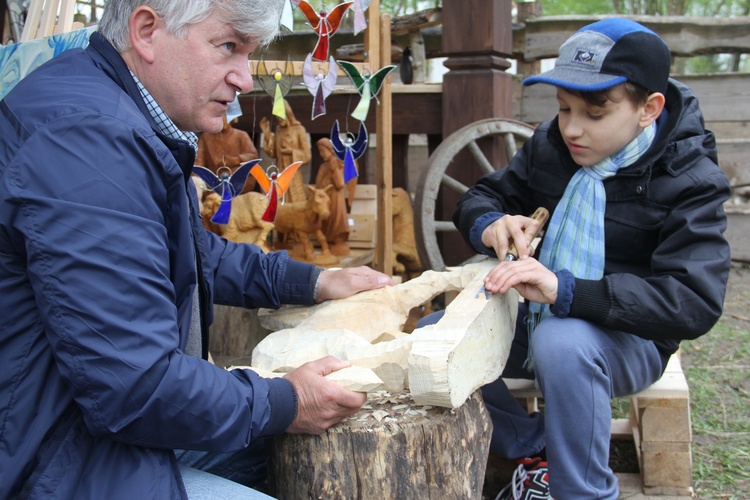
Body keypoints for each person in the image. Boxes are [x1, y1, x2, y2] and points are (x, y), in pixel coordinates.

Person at [0, 1, 394, 499]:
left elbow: (184, 250)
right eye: (228, 46)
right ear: (147, 31)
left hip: (86, 429)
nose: (244, 79)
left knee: (301, 447)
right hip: (55, 461)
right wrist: (284, 401)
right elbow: (136, 385)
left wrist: (310, 281)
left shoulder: (116, 110)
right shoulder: (87, 140)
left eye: (248, 54)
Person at [450, 19, 731, 499]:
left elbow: (693, 301)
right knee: (439, 334)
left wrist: (568, 291)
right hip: (535, 322)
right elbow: (479, 196)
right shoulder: (552, 146)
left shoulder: (689, 177)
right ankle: (530, 443)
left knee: (563, 341)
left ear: (649, 109)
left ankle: (583, 492)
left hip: (630, 340)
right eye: (563, 109)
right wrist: (490, 223)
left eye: (594, 114)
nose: (572, 128)